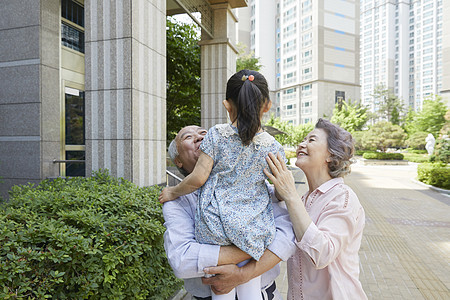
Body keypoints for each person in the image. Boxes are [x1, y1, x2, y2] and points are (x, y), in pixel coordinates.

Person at [160, 70, 287, 299]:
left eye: (200, 133)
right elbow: (280, 191)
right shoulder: (274, 148)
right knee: (250, 287)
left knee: (221, 288)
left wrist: (172, 191)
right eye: (188, 138)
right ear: (267, 106)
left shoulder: (217, 135)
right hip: (255, 229)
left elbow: (198, 179)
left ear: (227, 105)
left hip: (214, 226)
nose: (199, 137)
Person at [264, 118, 368, 300]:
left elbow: (322, 253)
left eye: (311, 140)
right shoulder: (303, 200)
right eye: (303, 140)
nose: (301, 144)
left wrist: (290, 194)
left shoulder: (343, 197)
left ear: (331, 155)